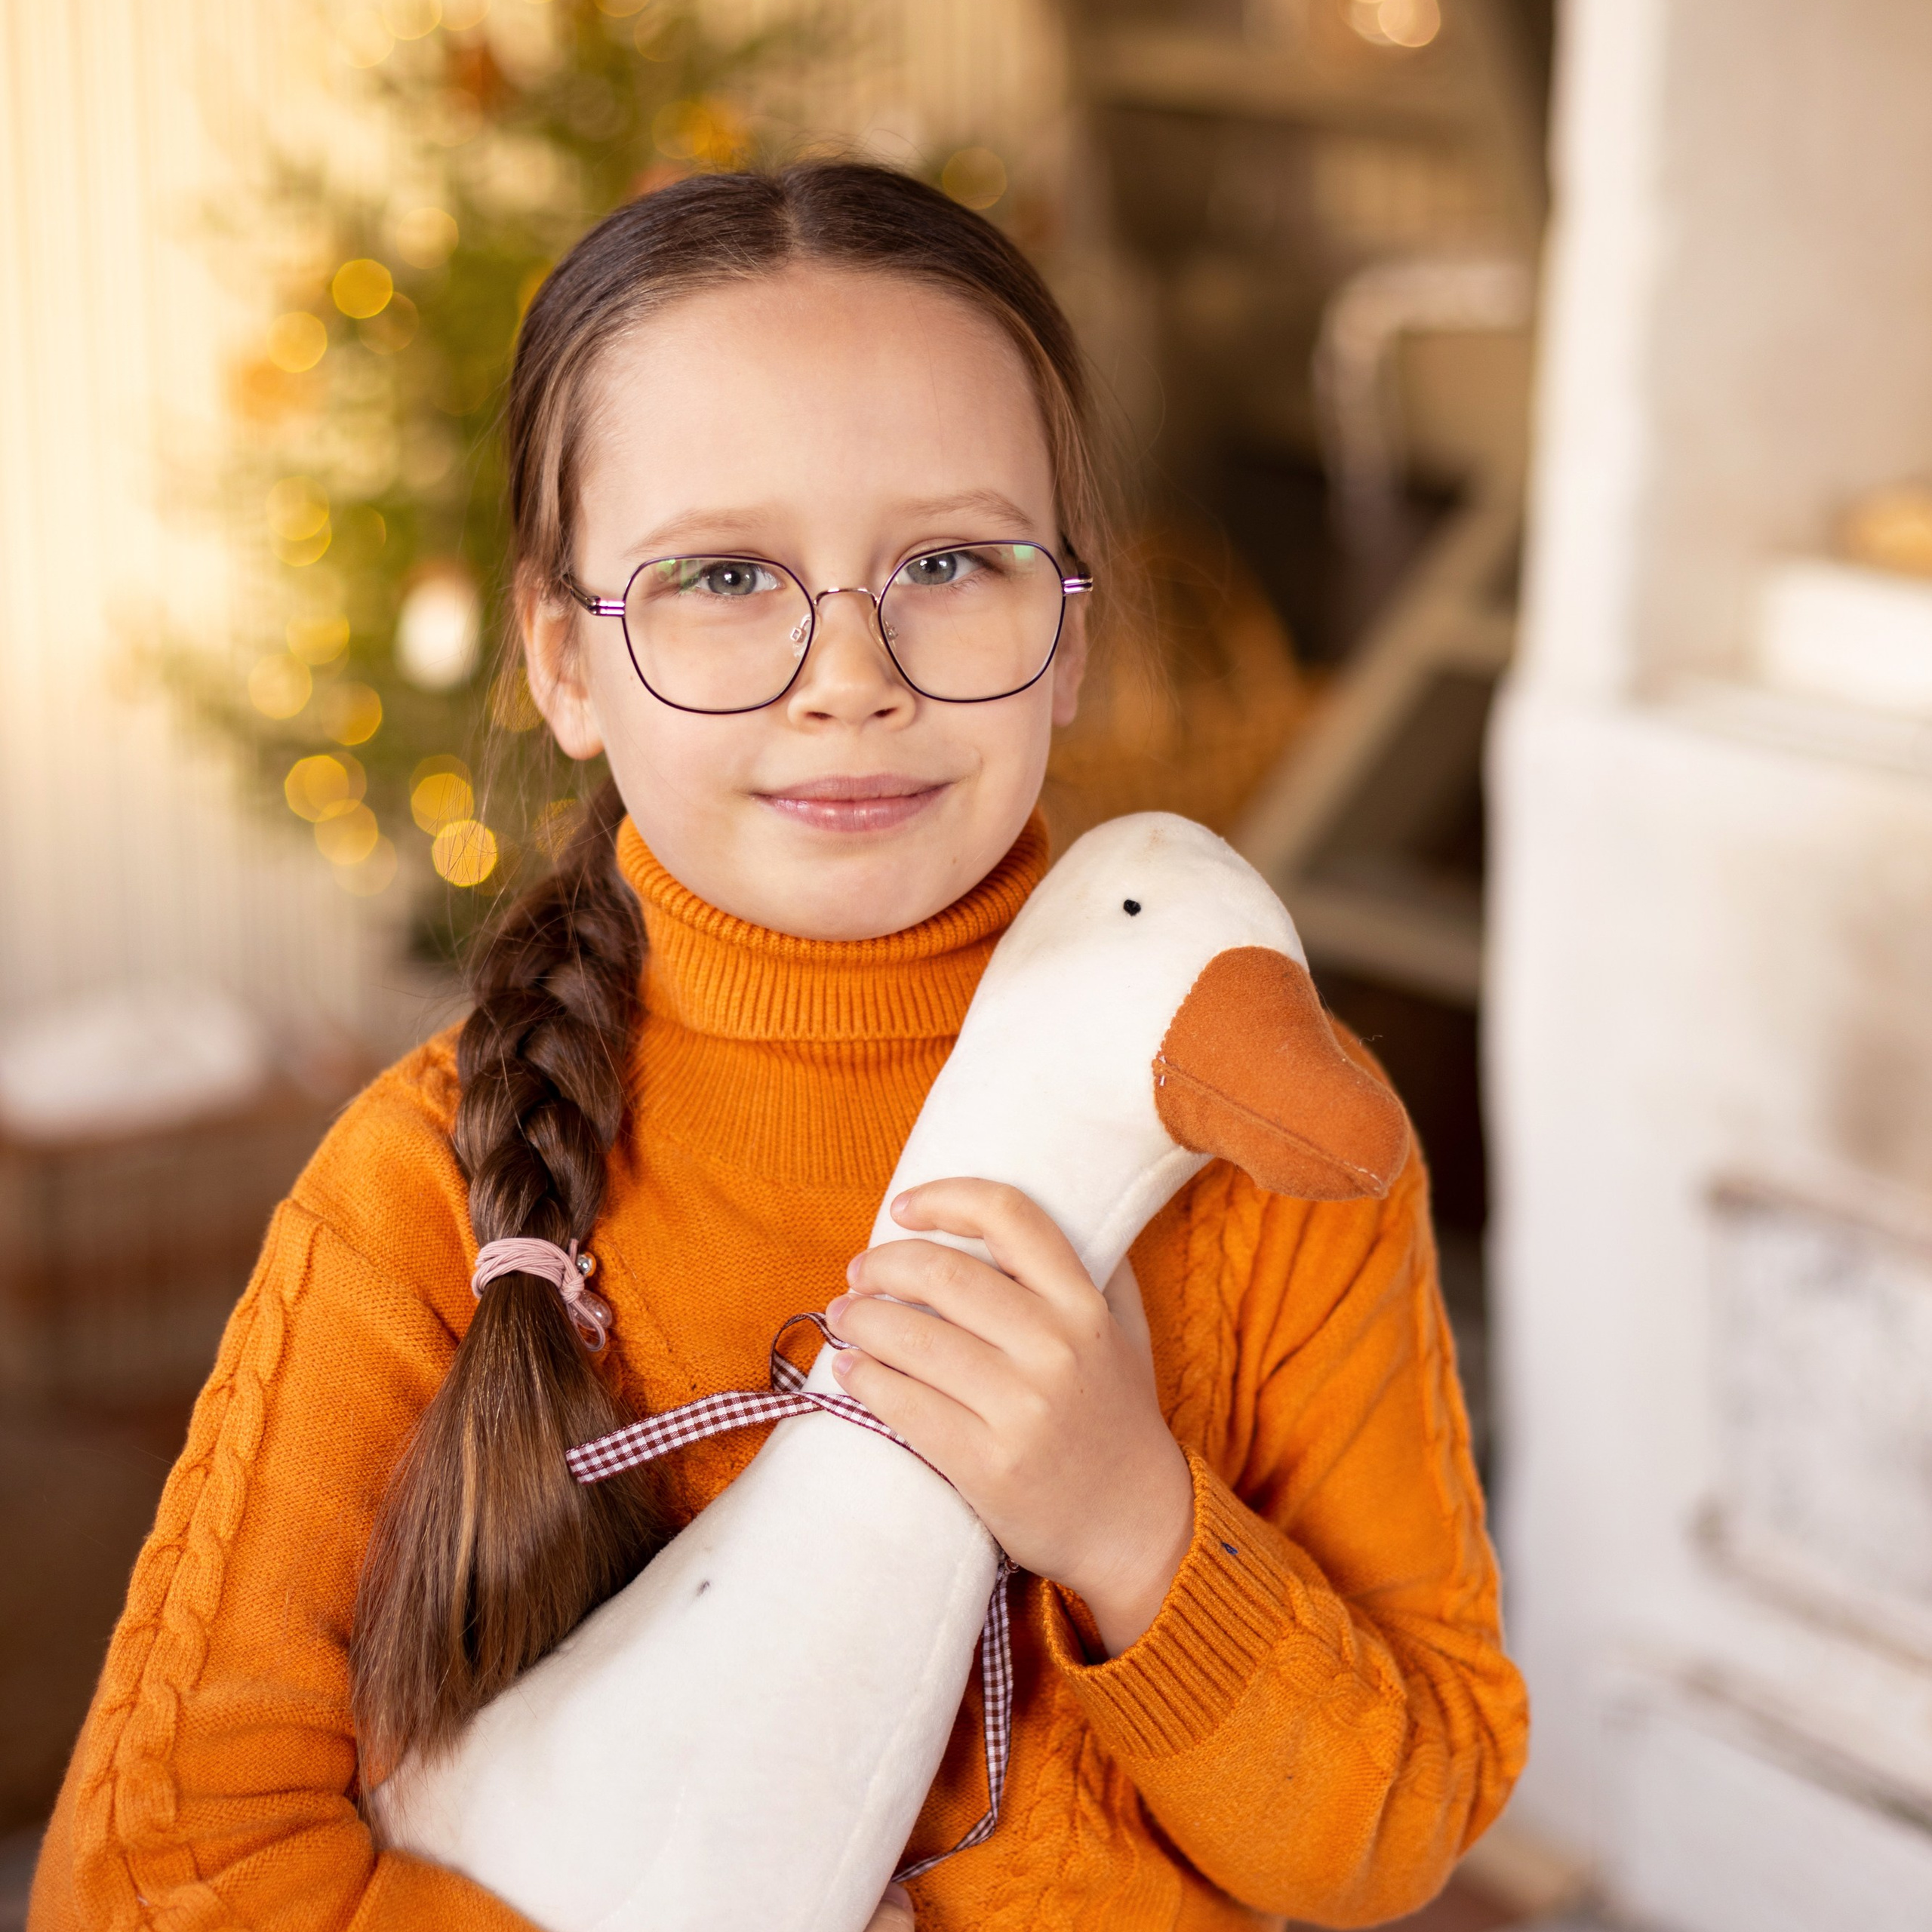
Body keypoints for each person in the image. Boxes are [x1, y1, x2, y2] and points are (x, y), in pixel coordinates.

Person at [29, 162, 1526, 1931]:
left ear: (1067, 634)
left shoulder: (1262, 1126)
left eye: (951, 562)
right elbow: (155, 1878)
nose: (847, 674)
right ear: (564, 660)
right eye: (725, 574)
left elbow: (1395, 1822)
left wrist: (1130, 1520)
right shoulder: (412, 1187)